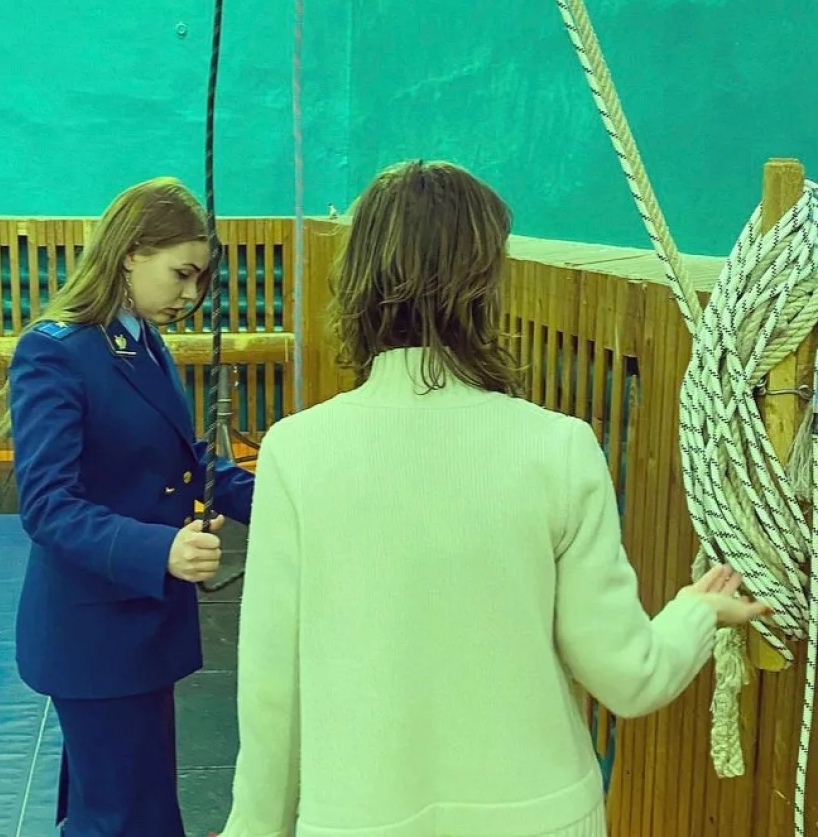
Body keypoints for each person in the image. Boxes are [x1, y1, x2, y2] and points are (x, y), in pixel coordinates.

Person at [216, 160, 770, 837]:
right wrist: (697, 612)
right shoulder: (560, 448)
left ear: (358, 281)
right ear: (485, 286)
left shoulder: (295, 452)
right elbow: (628, 677)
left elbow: (272, 694)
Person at [7, 176, 255, 837]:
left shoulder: (141, 341)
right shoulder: (55, 351)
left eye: (201, 279)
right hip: (95, 631)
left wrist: (281, 497)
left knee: (142, 809)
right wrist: (162, 548)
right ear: (130, 255)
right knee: (116, 818)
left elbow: (182, 456)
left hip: (140, 623)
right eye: (182, 274)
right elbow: (48, 505)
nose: (192, 295)